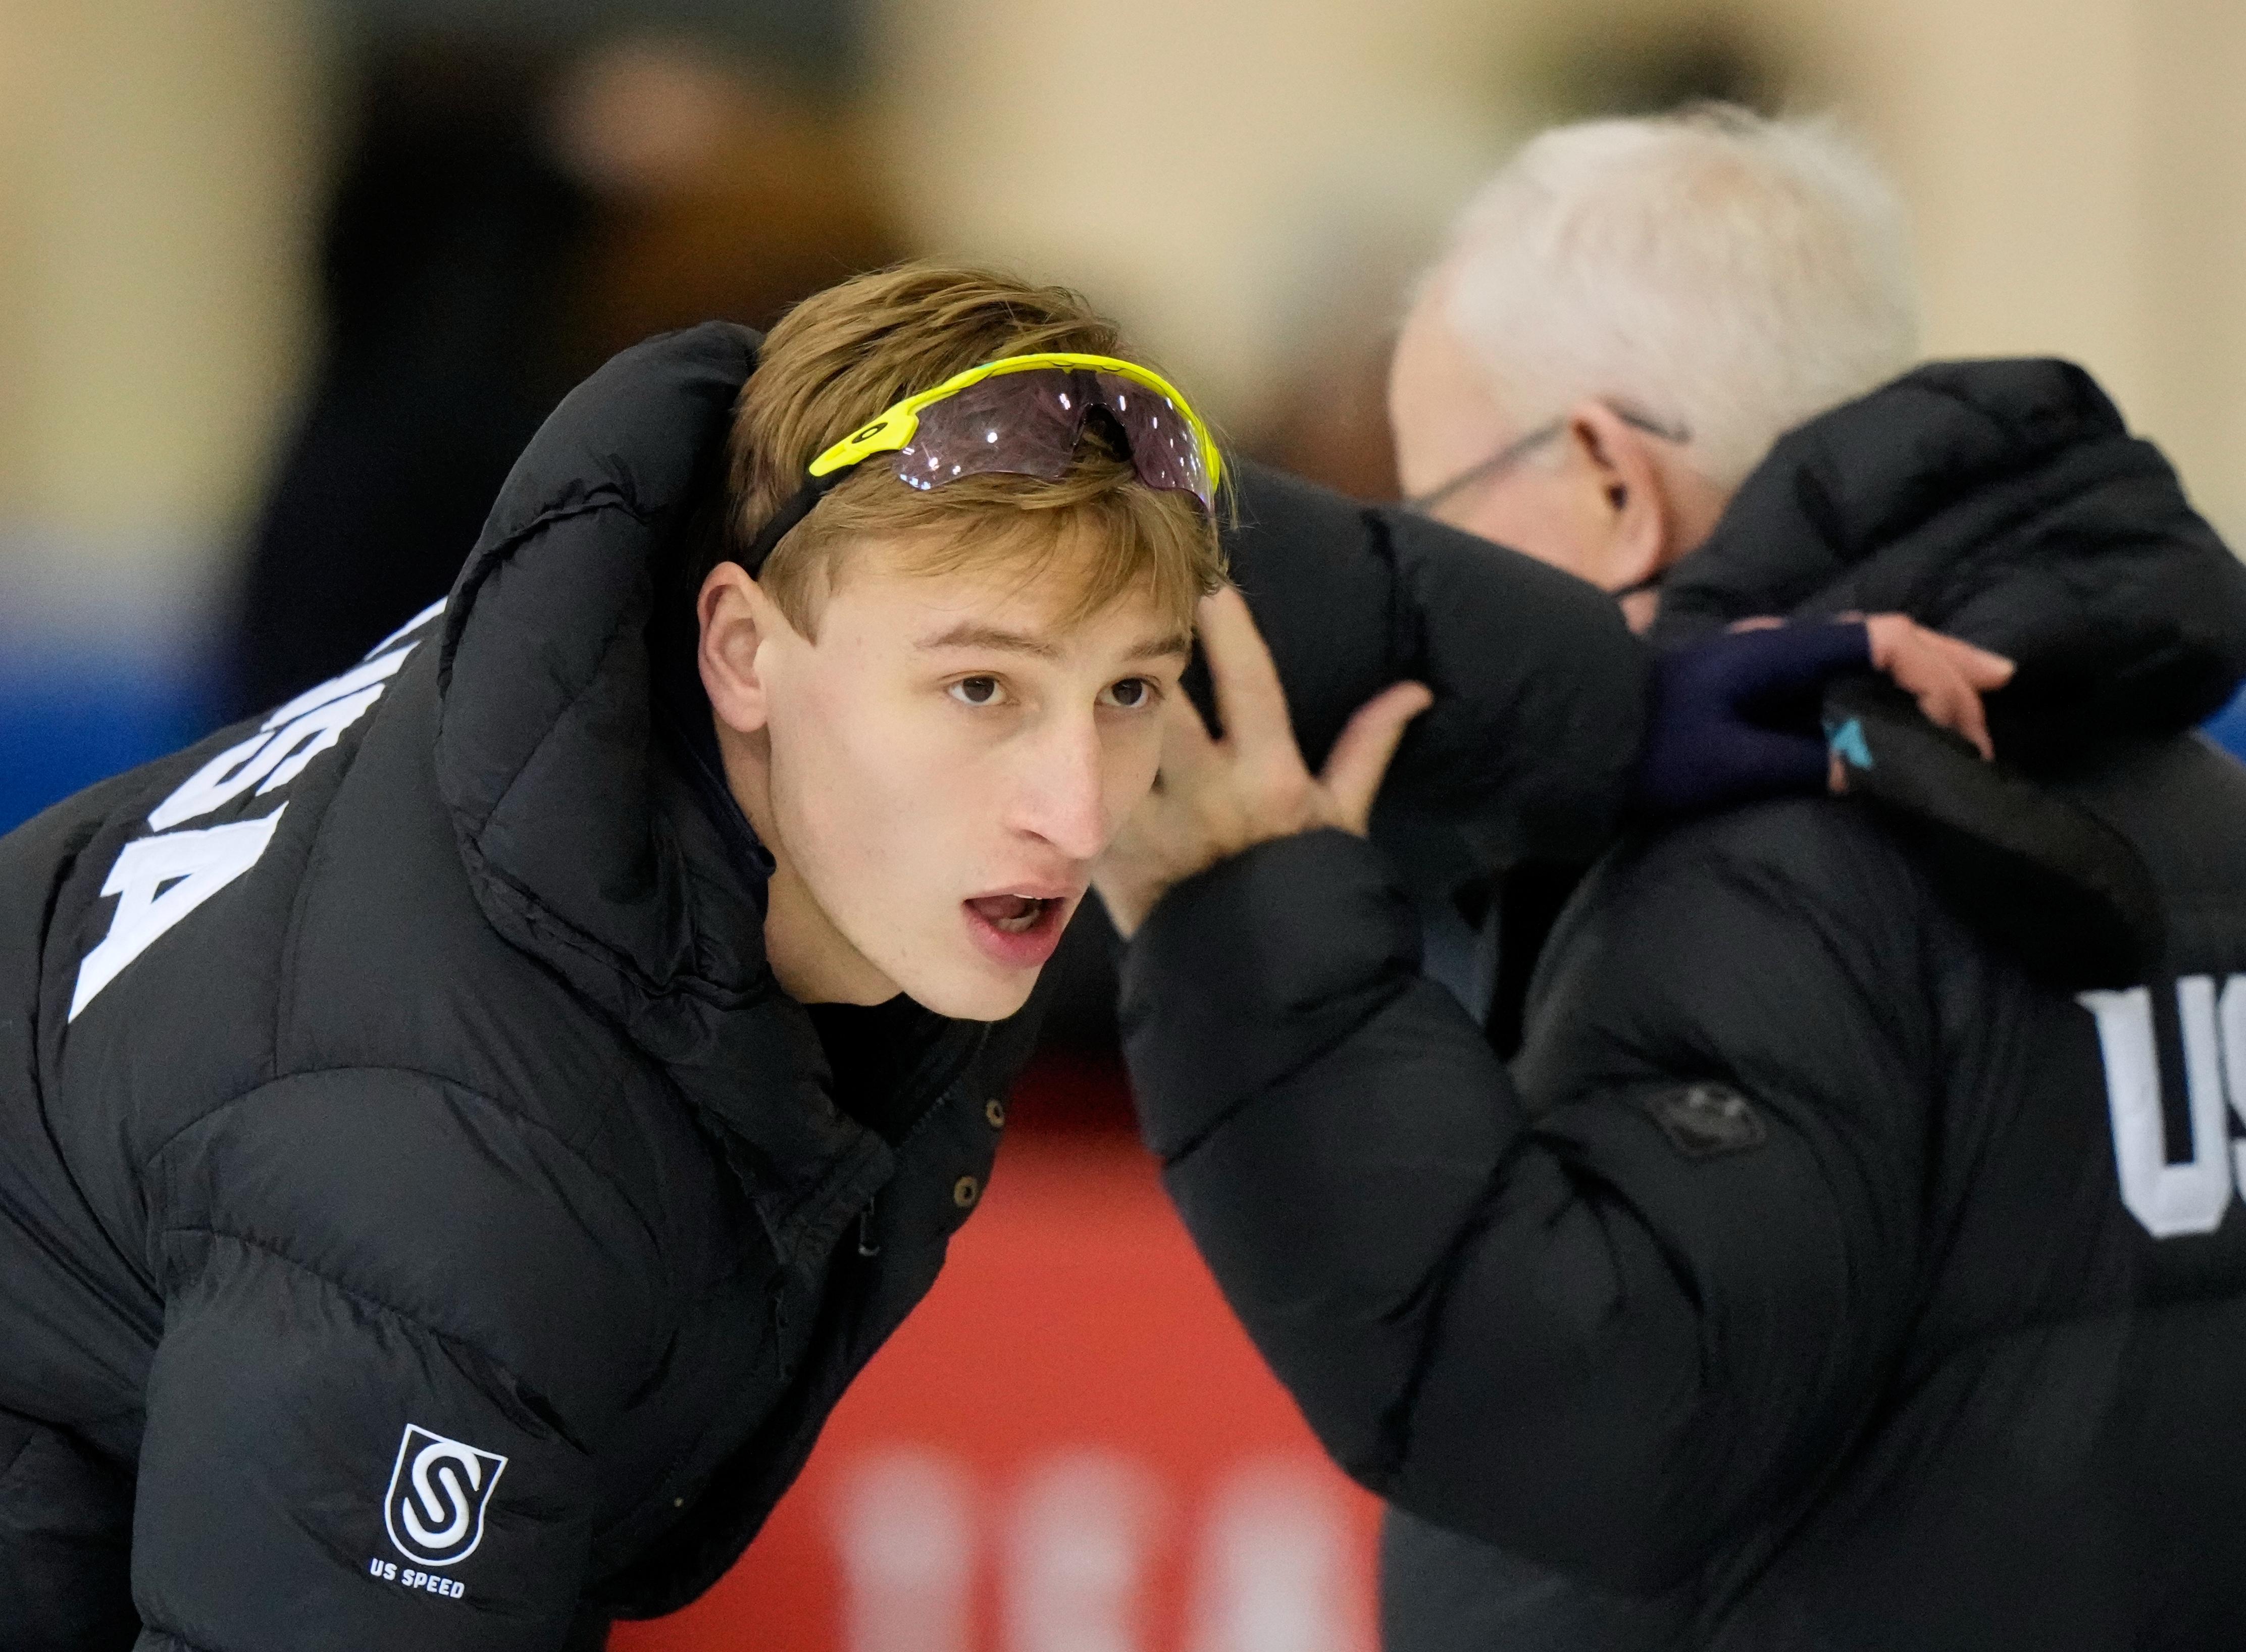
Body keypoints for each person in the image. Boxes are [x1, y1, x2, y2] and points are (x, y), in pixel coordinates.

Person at [0, 254, 1957, 1648]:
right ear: (742, 648)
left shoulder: (809, 544)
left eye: (1129, 694)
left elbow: (1288, 575)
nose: (1083, 809)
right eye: (980, 696)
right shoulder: (467, 1172)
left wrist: (1646, 706)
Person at [1097, 108, 2246, 1650]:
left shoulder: (1776, 853)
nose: (1434, 590)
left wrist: (1243, 932)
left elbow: (1573, 1425)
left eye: (1437, 520)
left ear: (1611, 481)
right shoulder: (2241, 831)